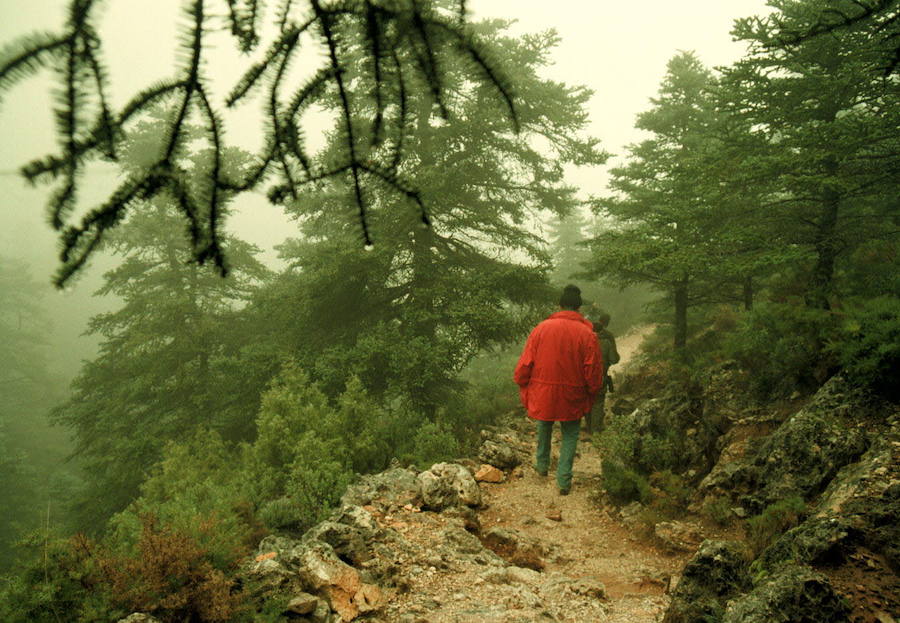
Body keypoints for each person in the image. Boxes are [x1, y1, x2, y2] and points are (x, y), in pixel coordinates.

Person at [513, 285, 604, 495]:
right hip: (572, 393)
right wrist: (593, 389)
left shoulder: (541, 328)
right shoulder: (587, 333)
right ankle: (563, 481)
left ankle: (542, 467)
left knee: (544, 425)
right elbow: (592, 367)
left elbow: (527, 361)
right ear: (579, 308)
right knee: (571, 433)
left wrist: (521, 379)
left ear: (560, 305)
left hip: (543, 390)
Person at [584, 311, 620, 435]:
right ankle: (595, 429)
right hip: (600, 376)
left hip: (584, 377)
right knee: (598, 401)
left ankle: (589, 426)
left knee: (587, 399)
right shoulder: (607, 339)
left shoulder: (583, 340)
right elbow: (614, 359)